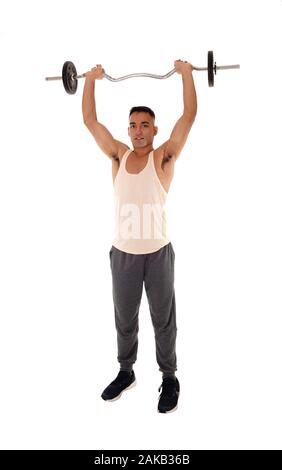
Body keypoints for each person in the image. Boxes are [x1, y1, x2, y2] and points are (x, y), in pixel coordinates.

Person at [82, 60, 197, 413]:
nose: (138, 130)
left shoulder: (164, 157)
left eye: (145, 124)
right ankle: (126, 371)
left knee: (163, 318)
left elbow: (188, 117)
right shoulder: (118, 154)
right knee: (125, 317)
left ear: (154, 128)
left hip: (158, 253)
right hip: (124, 254)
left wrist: (188, 74)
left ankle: (170, 377)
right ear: (128, 130)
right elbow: (90, 121)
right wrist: (90, 80)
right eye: (133, 125)